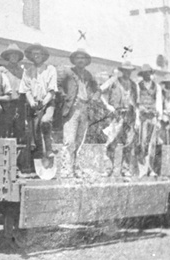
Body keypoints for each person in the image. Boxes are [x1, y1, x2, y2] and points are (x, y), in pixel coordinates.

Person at [56, 48, 98, 178]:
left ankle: (74, 169)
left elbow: (97, 89)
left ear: (86, 61)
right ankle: (65, 169)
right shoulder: (68, 72)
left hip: (85, 108)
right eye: (78, 58)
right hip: (72, 108)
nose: (80, 60)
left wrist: (93, 99)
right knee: (69, 140)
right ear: (74, 60)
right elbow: (58, 85)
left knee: (80, 141)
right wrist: (65, 97)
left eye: (83, 58)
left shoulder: (88, 75)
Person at [19, 43, 58, 165]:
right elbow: (26, 90)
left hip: (48, 103)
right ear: (31, 56)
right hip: (34, 105)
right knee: (35, 133)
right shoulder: (28, 71)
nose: (36, 56)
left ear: (43, 55)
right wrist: (32, 102)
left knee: (45, 121)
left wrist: (43, 103)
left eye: (39, 54)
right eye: (34, 54)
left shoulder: (50, 69)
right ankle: (38, 158)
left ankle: (49, 148)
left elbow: (52, 91)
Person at [100, 62, 139, 177]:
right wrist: (107, 105)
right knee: (111, 143)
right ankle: (108, 169)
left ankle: (125, 170)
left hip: (130, 116)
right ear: (122, 71)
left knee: (129, 143)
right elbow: (99, 91)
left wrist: (137, 119)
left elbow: (136, 103)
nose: (128, 73)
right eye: (126, 70)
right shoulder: (114, 80)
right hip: (117, 115)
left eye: (129, 71)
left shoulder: (133, 85)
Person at [134, 64, 163, 176]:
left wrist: (159, 119)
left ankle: (150, 169)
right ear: (142, 74)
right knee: (142, 143)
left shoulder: (157, 87)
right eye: (145, 73)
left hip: (153, 117)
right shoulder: (138, 86)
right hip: (143, 118)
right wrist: (137, 119)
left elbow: (159, 103)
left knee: (153, 144)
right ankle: (143, 169)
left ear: (151, 73)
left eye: (148, 72)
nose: (147, 75)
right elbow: (136, 103)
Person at [0, 43, 25, 140]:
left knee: (19, 129)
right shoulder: (1, 70)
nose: (13, 56)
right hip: (6, 104)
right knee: (5, 130)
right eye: (11, 54)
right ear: (7, 56)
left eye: (16, 54)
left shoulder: (22, 72)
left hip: (19, 104)